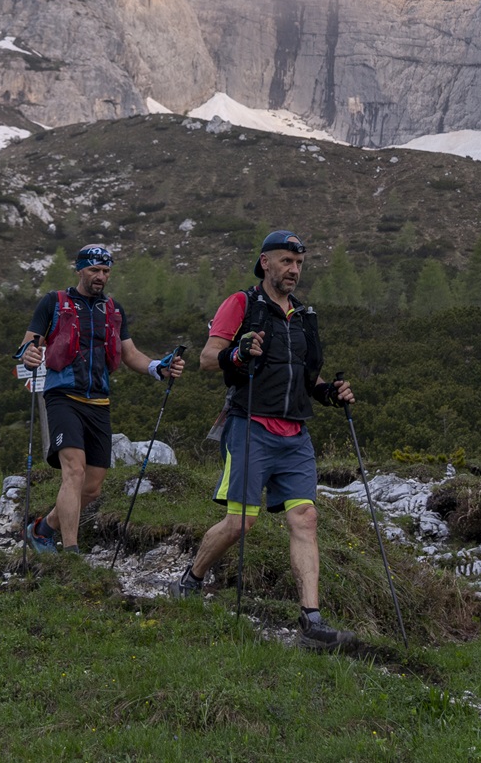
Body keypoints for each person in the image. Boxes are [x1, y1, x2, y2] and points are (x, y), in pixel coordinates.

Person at [164, 230, 355, 648]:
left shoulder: (303, 316)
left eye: (300, 263)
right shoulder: (242, 304)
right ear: (265, 262)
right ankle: (191, 580)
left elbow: (305, 375)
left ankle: (311, 621)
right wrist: (237, 352)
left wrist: (327, 393)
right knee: (241, 522)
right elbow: (207, 360)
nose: (294, 270)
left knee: (305, 519)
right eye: (287, 261)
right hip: (250, 425)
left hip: (296, 433)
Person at [19, 244, 186, 553]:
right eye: (94, 270)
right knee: (74, 471)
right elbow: (28, 345)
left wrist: (158, 369)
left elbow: (129, 354)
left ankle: (42, 529)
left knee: (93, 487)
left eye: (106, 271)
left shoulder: (114, 309)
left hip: (99, 402)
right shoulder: (54, 302)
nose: (100, 277)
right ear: (80, 269)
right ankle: (71, 551)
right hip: (62, 397)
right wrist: (28, 354)